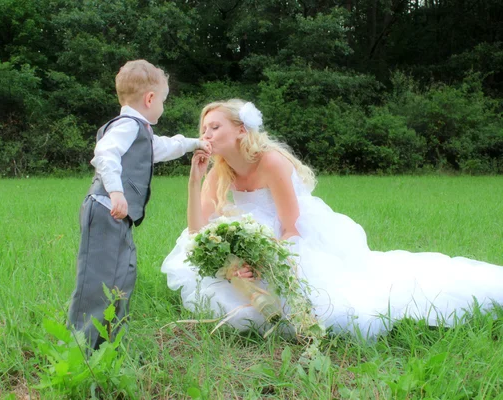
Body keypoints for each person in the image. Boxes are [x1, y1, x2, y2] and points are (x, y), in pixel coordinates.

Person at [161, 99, 503, 339]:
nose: (205, 133)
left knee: (335, 301)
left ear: (240, 130)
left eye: (214, 126)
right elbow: (197, 231)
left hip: (290, 237)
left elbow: (290, 226)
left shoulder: (270, 162)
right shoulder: (218, 170)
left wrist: (265, 262)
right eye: (203, 128)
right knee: (216, 279)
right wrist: (229, 259)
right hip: (248, 237)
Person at [68, 60, 211, 349]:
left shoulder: (139, 131)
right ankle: (83, 346)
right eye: (163, 101)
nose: (163, 107)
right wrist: (117, 192)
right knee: (99, 278)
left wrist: (196, 142)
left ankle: (110, 343)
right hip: (107, 207)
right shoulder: (126, 126)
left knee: (122, 273)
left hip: (118, 215)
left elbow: (163, 147)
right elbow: (105, 153)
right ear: (150, 98)